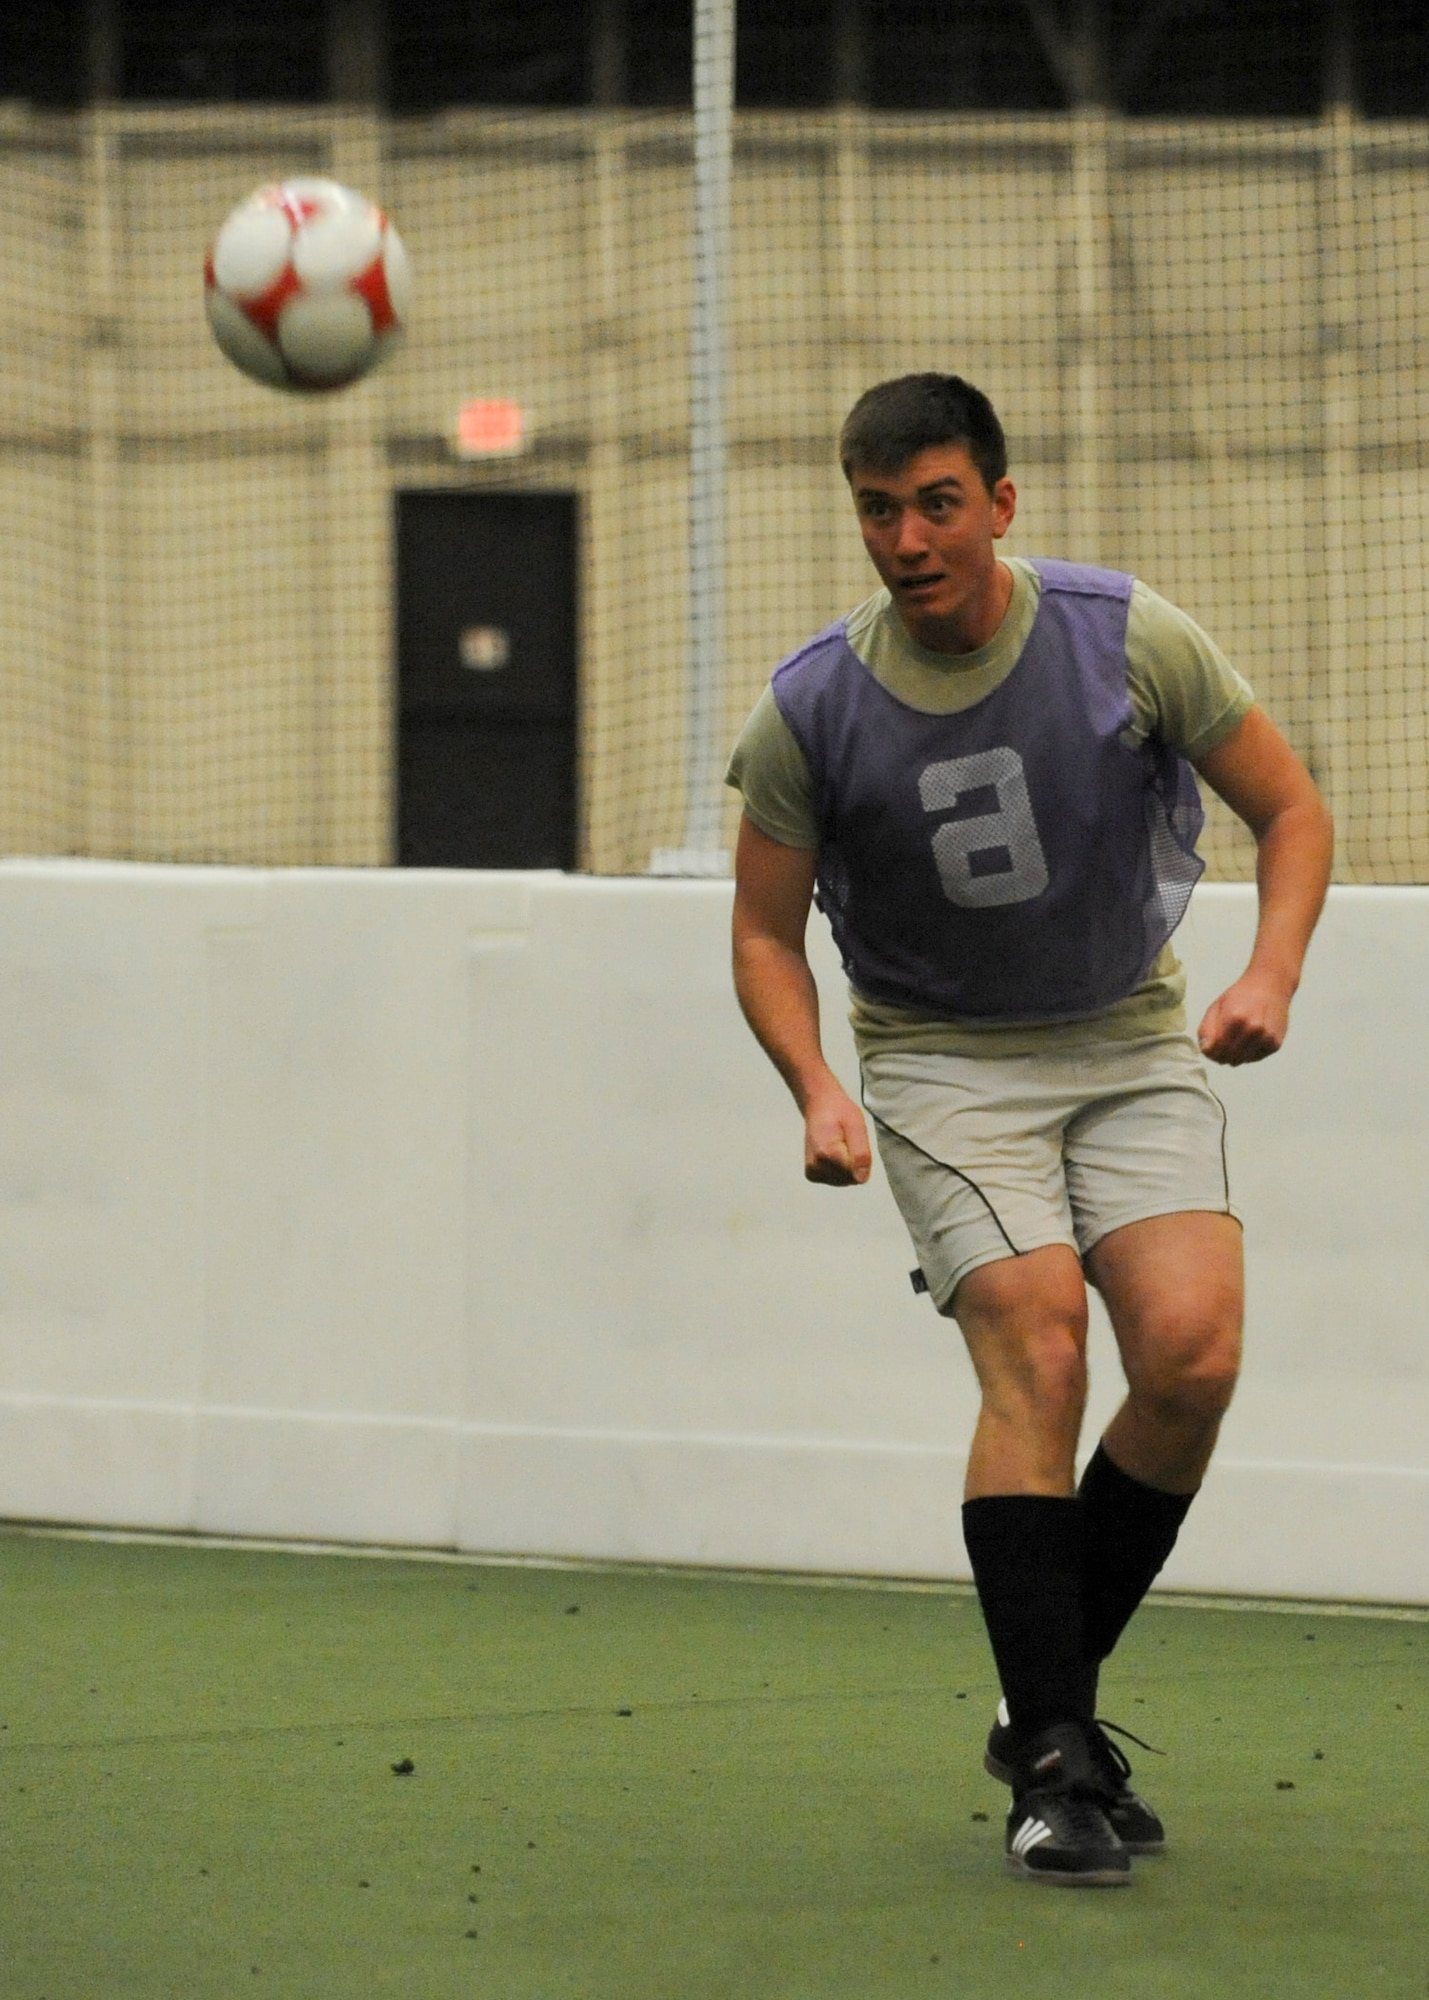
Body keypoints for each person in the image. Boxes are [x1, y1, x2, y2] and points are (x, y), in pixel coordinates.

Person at [727, 373, 1333, 1887]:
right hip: (941, 1064)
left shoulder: (1119, 633)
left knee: (1188, 1358)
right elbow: (759, 933)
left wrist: (1270, 972)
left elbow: (1292, 810)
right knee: (1040, 1341)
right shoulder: (812, 702)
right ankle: (1057, 1761)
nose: (907, 537)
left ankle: (1036, 1702)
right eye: (877, 509)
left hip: (1127, 1035)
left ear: (1000, 503)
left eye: (936, 502)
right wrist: (816, 1086)